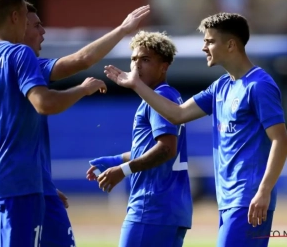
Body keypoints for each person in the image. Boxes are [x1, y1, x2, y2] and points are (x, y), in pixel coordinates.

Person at [104, 13, 287, 247]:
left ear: (230, 44)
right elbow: (177, 114)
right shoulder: (221, 85)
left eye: (210, 41)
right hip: (229, 201)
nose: (204, 47)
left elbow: (280, 140)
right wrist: (136, 84)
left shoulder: (259, 86)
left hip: (248, 199)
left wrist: (264, 191)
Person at [23, 1, 150, 247]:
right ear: (15, 21)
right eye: (36, 25)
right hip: (20, 189)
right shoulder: (21, 59)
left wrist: (39, 182)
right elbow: (82, 59)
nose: (44, 31)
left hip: (12, 185)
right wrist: (123, 29)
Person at [0, 0, 106, 247]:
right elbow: (45, 104)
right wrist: (82, 90)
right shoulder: (19, 53)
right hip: (17, 184)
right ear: (16, 16)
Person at [87, 31, 193, 247]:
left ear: (164, 67)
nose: (137, 65)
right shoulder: (166, 96)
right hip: (169, 209)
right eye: (134, 59)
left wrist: (123, 171)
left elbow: (166, 149)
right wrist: (115, 160)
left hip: (152, 207)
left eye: (145, 60)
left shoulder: (161, 96)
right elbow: (151, 147)